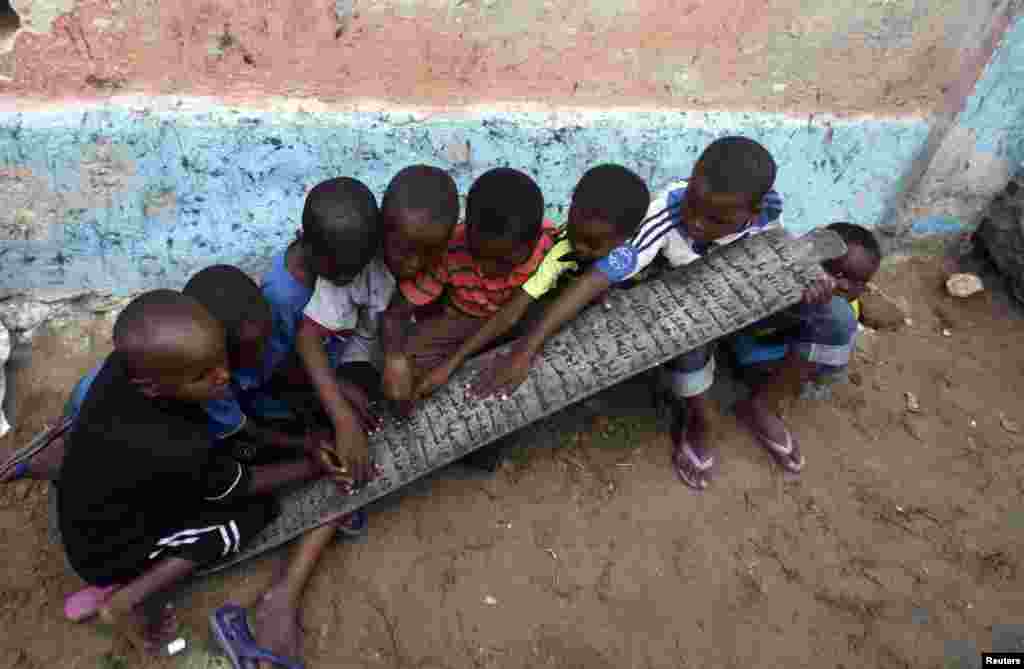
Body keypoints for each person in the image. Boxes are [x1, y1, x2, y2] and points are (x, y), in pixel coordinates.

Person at [471, 137, 835, 490]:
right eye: (692, 203)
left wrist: (806, 286)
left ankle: (764, 406)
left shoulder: (768, 215)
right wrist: (527, 348)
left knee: (834, 318)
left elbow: (778, 257)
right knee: (688, 334)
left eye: (715, 219)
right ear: (691, 180)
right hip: (683, 312)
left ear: (752, 213)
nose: (695, 222)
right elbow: (595, 279)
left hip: (731, 303)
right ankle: (700, 420)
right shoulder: (664, 213)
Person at [55, 290, 332, 653]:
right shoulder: (176, 443)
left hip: (96, 501)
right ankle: (124, 600)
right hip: (105, 549)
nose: (223, 376)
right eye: (203, 375)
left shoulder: (125, 369)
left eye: (221, 359)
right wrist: (313, 465)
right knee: (253, 513)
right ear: (151, 387)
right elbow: (239, 486)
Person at [413, 164, 650, 400]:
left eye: (593, 244)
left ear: (626, 238)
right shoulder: (562, 248)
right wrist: (454, 363)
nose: (578, 247)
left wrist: (525, 351)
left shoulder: (638, 247)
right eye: (576, 234)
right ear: (573, 199)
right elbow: (512, 312)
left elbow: (592, 283)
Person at [380, 167, 556, 409]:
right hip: (464, 321)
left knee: (554, 318)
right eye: (478, 254)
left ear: (535, 240)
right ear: (467, 229)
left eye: (504, 261)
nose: (487, 269)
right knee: (409, 355)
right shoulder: (451, 248)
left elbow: (509, 317)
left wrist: (450, 364)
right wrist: (395, 358)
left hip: (518, 316)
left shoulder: (548, 245)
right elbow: (398, 311)